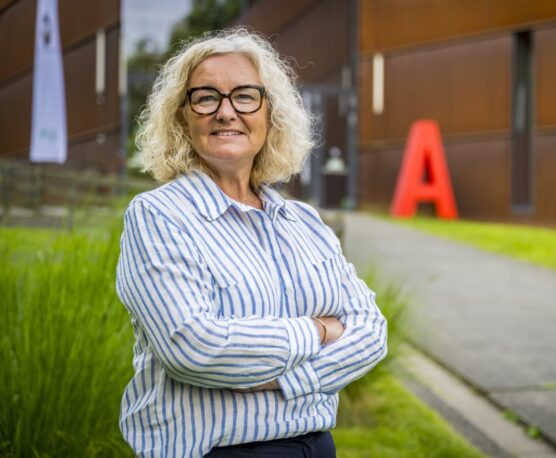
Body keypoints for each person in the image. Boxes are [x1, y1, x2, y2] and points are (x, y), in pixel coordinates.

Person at [115, 28, 387, 458]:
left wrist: (287, 378)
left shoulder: (303, 221)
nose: (226, 112)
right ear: (182, 118)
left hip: (317, 448)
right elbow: (195, 348)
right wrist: (318, 330)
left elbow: (371, 332)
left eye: (245, 96)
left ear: (269, 113)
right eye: (206, 97)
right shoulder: (159, 216)